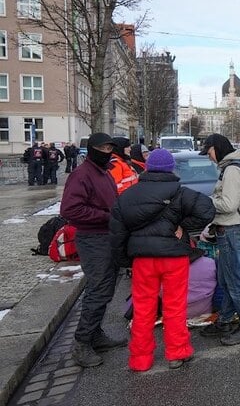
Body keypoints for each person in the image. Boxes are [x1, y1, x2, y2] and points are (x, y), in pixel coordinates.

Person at [109, 148, 215, 371]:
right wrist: (182, 228)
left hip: (143, 260)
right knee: (174, 306)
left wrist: (126, 260)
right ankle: (177, 352)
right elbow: (207, 210)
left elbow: (117, 233)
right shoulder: (180, 192)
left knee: (143, 309)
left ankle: (140, 359)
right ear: (170, 169)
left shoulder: (128, 195)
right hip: (174, 258)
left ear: (147, 168)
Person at [61, 133, 126, 367]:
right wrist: (106, 217)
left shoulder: (103, 172)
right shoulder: (81, 175)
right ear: (92, 150)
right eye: (103, 147)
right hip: (93, 239)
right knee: (98, 290)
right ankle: (82, 343)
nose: (108, 151)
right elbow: (70, 209)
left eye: (110, 147)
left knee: (106, 289)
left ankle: (95, 334)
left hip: (107, 237)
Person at [198, 134, 240, 345]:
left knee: (236, 281)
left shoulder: (233, 169)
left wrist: (205, 202)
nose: (209, 158)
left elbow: (229, 204)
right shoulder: (235, 165)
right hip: (231, 229)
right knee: (227, 279)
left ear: (218, 148)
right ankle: (224, 320)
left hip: (232, 229)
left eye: (209, 152)